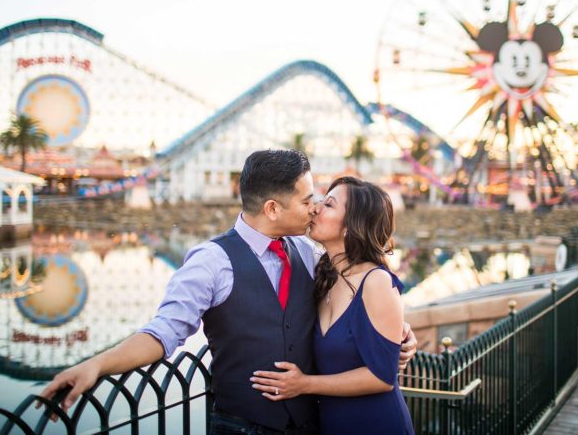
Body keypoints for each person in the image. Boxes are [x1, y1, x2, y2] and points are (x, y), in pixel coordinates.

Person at [38, 150, 417, 434]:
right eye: (307, 200)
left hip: (311, 422)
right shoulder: (211, 261)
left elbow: (363, 290)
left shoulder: (308, 252)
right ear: (272, 208)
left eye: (320, 200)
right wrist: (97, 364)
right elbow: (164, 330)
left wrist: (399, 333)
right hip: (242, 427)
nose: (315, 207)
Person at [251, 177, 414, 434]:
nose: (315, 208)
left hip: (376, 424)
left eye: (328, 204)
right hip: (331, 424)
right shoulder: (324, 276)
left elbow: (382, 377)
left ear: (351, 225)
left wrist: (304, 384)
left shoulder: (376, 282)